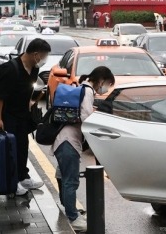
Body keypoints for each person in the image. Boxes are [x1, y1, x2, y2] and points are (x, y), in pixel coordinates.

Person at [51, 66, 115, 231]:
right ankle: (73, 218)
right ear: (101, 80)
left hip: (63, 140)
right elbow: (86, 118)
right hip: (69, 142)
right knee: (71, 181)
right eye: (107, 84)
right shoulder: (87, 91)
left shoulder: (81, 88)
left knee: (63, 175)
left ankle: (68, 207)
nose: (105, 88)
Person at [0, 38, 51, 196]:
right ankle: (12, 182)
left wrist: (30, 104)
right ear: (36, 54)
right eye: (44, 56)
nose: (44, 60)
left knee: (22, 146)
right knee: (11, 148)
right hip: (6, 114)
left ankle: (23, 176)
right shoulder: (10, 69)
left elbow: (28, 90)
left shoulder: (33, 69)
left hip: (22, 114)